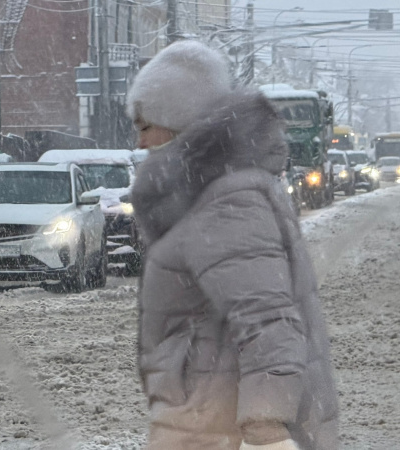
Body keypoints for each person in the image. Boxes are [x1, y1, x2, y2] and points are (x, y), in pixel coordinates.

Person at [126, 40, 339, 449]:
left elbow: (267, 318)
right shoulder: (207, 192)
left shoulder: (224, 200)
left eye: (145, 125)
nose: (140, 142)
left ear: (176, 120)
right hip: (204, 415)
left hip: (218, 426)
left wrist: (266, 427)